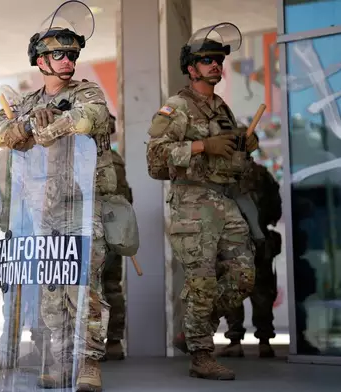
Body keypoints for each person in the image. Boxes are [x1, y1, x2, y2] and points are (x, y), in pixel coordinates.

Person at [0, 9, 115, 390]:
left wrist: (53, 127)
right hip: (38, 211)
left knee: (84, 284)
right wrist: (27, 125)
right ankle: (62, 359)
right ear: (41, 61)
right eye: (60, 55)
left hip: (78, 206)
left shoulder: (86, 91)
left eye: (73, 55)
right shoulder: (27, 102)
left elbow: (92, 116)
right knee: (51, 288)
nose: (68, 61)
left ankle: (88, 362)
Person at [146, 22, 256, 380]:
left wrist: (242, 145)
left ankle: (196, 325)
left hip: (224, 201)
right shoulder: (175, 108)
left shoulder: (221, 108)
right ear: (191, 68)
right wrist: (200, 146)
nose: (215, 65)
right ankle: (201, 354)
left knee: (244, 277)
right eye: (207, 60)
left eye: (219, 60)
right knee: (202, 281)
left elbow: (229, 156)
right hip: (193, 205)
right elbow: (155, 160)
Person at [0, 152, 54, 369]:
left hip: (42, 235)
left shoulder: (51, 150)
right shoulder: (4, 156)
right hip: (11, 236)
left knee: (41, 297)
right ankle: (8, 353)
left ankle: (43, 352)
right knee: (12, 299)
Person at [219, 159, 283, 358]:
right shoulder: (261, 174)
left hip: (232, 243)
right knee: (262, 291)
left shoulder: (223, 173)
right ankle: (264, 342)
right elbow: (276, 210)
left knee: (232, 291)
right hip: (260, 242)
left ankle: (235, 342)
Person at [101, 115, 131, 361]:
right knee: (112, 287)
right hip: (115, 233)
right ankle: (113, 342)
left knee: (91, 288)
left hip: (96, 233)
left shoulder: (91, 160)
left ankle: (93, 343)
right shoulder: (116, 160)